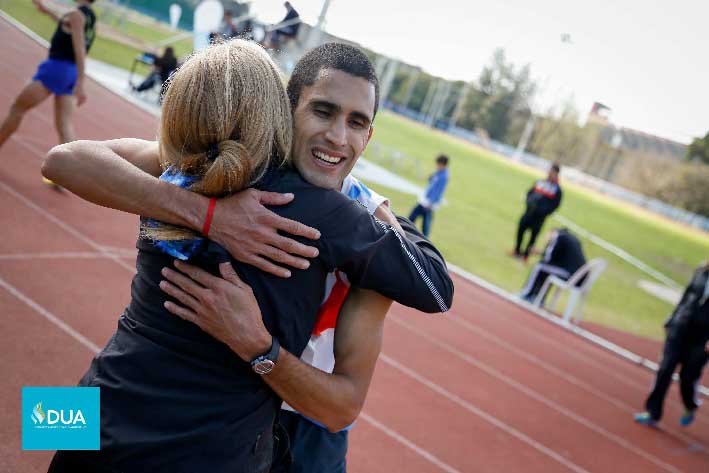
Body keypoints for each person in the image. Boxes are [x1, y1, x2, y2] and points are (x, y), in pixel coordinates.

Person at [43, 41, 453, 473]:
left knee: (44, 435)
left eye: (355, 122)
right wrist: (376, 205)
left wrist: (203, 212)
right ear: (283, 108)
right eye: (322, 111)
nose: (337, 135)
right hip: (201, 445)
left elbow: (58, 160)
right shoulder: (328, 212)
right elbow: (436, 289)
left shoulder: (179, 168)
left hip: (93, 406)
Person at [0, 0, 96, 181]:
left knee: (17, 108)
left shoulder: (76, 16)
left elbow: (79, 48)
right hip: (70, 72)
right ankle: (70, 175)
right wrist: (46, 10)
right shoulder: (89, 16)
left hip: (57, 68)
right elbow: (68, 24)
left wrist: (82, 84)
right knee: (64, 125)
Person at [634, 261, 709, 427]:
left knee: (688, 377)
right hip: (680, 328)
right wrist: (672, 318)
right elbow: (686, 297)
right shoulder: (701, 272)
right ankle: (653, 412)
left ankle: (690, 405)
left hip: (703, 338)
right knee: (665, 369)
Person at [519, 227, 585, 304]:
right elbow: (558, 256)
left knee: (539, 266)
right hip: (580, 277)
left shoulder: (558, 236)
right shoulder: (572, 238)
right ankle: (538, 298)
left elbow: (548, 257)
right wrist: (541, 252)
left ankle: (526, 293)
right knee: (548, 270)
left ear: (552, 232)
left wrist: (540, 252)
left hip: (571, 274)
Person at [513, 163, 562, 261]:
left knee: (533, 237)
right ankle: (517, 251)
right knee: (520, 230)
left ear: (556, 173)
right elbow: (529, 193)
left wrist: (544, 211)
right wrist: (529, 202)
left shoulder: (557, 189)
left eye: (551, 171)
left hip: (539, 218)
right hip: (528, 213)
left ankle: (525, 256)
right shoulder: (540, 182)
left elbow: (555, 205)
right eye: (549, 170)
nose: (549, 173)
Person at [408, 154, 450, 237]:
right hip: (426, 199)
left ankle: (423, 239)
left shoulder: (444, 176)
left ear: (442, 164)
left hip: (429, 203)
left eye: (438, 164)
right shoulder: (439, 172)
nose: (436, 166)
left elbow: (439, 191)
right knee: (414, 217)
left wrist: (431, 203)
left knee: (423, 223)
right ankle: (407, 230)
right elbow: (432, 182)